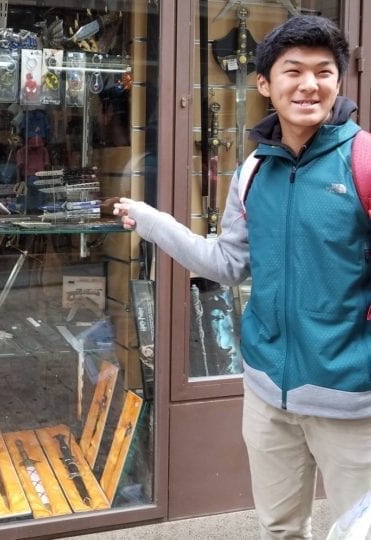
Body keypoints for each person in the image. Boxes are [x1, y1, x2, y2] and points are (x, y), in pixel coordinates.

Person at [114, 15, 371, 538]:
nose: (308, 85)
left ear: (339, 82)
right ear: (264, 84)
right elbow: (227, 264)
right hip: (266, 392)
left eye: (323, 72)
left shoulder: (363, 161)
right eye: (292, 71)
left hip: (353, 400)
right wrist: (153, 221)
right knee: (278, 528)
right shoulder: (253, 171)